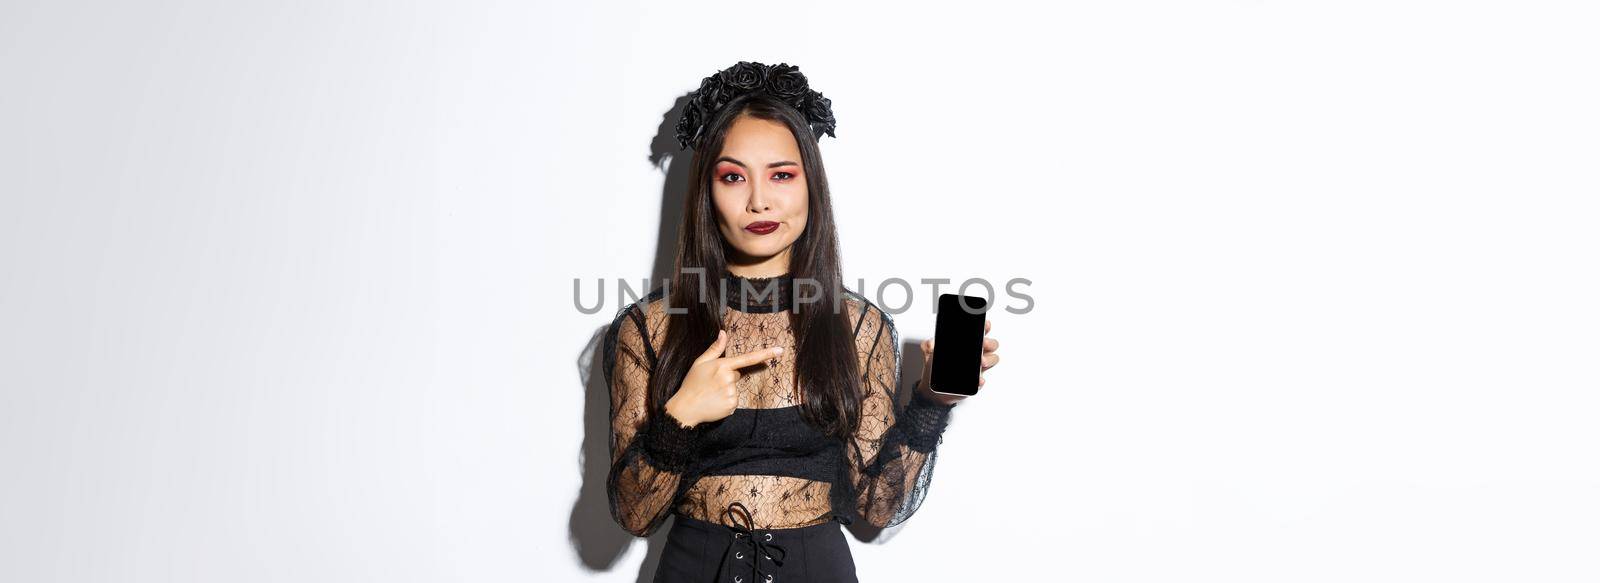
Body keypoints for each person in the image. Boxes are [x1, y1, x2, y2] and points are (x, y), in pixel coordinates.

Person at [602, 61, 1002, 583]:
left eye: (782, 175)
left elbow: (877, 506)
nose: (759, 200)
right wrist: (680, 416)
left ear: (811, 185)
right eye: (732, 176)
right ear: (707, 191)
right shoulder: (651, 326)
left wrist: (932, 402)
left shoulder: (859, 327)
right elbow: (635, 516)